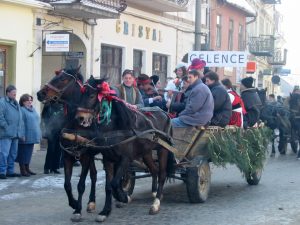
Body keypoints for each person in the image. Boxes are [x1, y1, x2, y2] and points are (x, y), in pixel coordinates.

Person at [0, 85, 24, 179]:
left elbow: (19, 118)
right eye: (13, 93)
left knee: (13, 153)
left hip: (15, 133)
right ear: (8, 93)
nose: (15, 94)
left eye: (15, 93)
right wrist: (6, 126)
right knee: (4, 153)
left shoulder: (16, 102)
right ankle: (2, 172)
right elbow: (0, 117)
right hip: (6, 133)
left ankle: (10, 171)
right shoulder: (2, 102)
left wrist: (20, 131)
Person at [16, 94, 41, 176]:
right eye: (28, 100)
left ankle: (27, 168)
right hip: (25, 135)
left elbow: (37, 121)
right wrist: (22, 135)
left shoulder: (33, 109)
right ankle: (22, 170)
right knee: (23, 153)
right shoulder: (22, 110)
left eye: (31, 100)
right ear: (23, 102)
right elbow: (21, 124)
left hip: (32, 135)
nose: (30, 102)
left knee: (29, 153)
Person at [41, 101, 64, 174]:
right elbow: (44, 116)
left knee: (58, 150)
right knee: (51, 149)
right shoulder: (48, 105)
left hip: (60, 130)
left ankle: (55, 168)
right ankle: (47, 167)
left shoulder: (62, 104)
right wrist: (46, 126)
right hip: (51, 130)